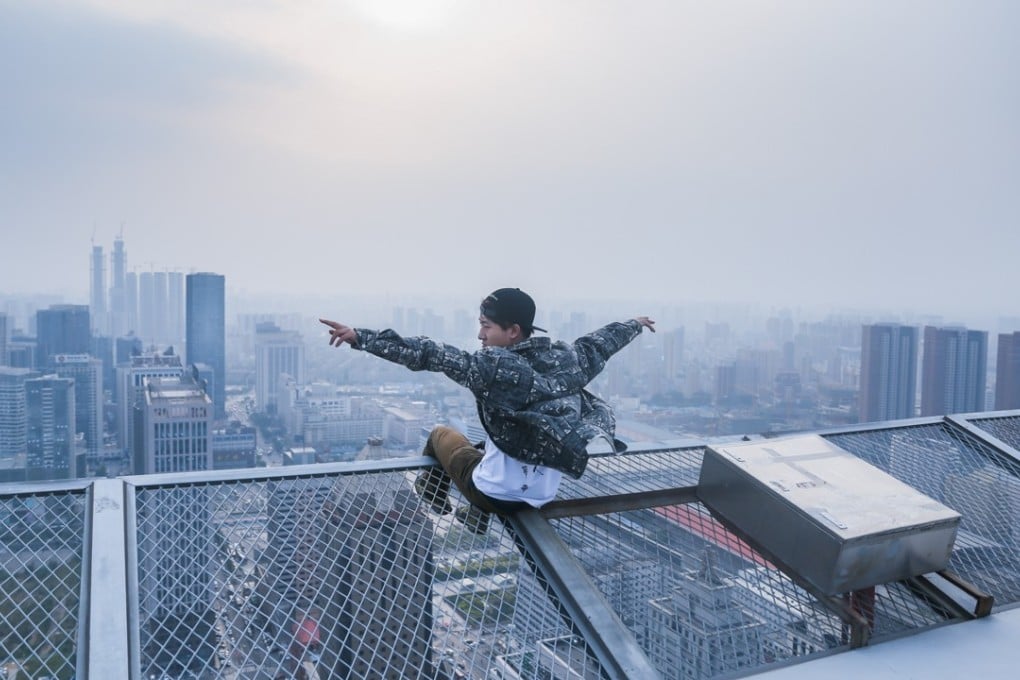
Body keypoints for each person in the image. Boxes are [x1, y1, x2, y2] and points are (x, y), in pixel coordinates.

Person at [319, 287, 655, 534]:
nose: (480, 334)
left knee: (440, 436)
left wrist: (361, 338)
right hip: (543, 495)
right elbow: (598, 344)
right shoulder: (567, 359)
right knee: (492, 442)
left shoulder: (492, 366)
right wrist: (634, 324)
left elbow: (428, 354)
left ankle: (433, 493)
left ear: (513, 331)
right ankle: (474, 516)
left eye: (487, 326)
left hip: (495, 495)